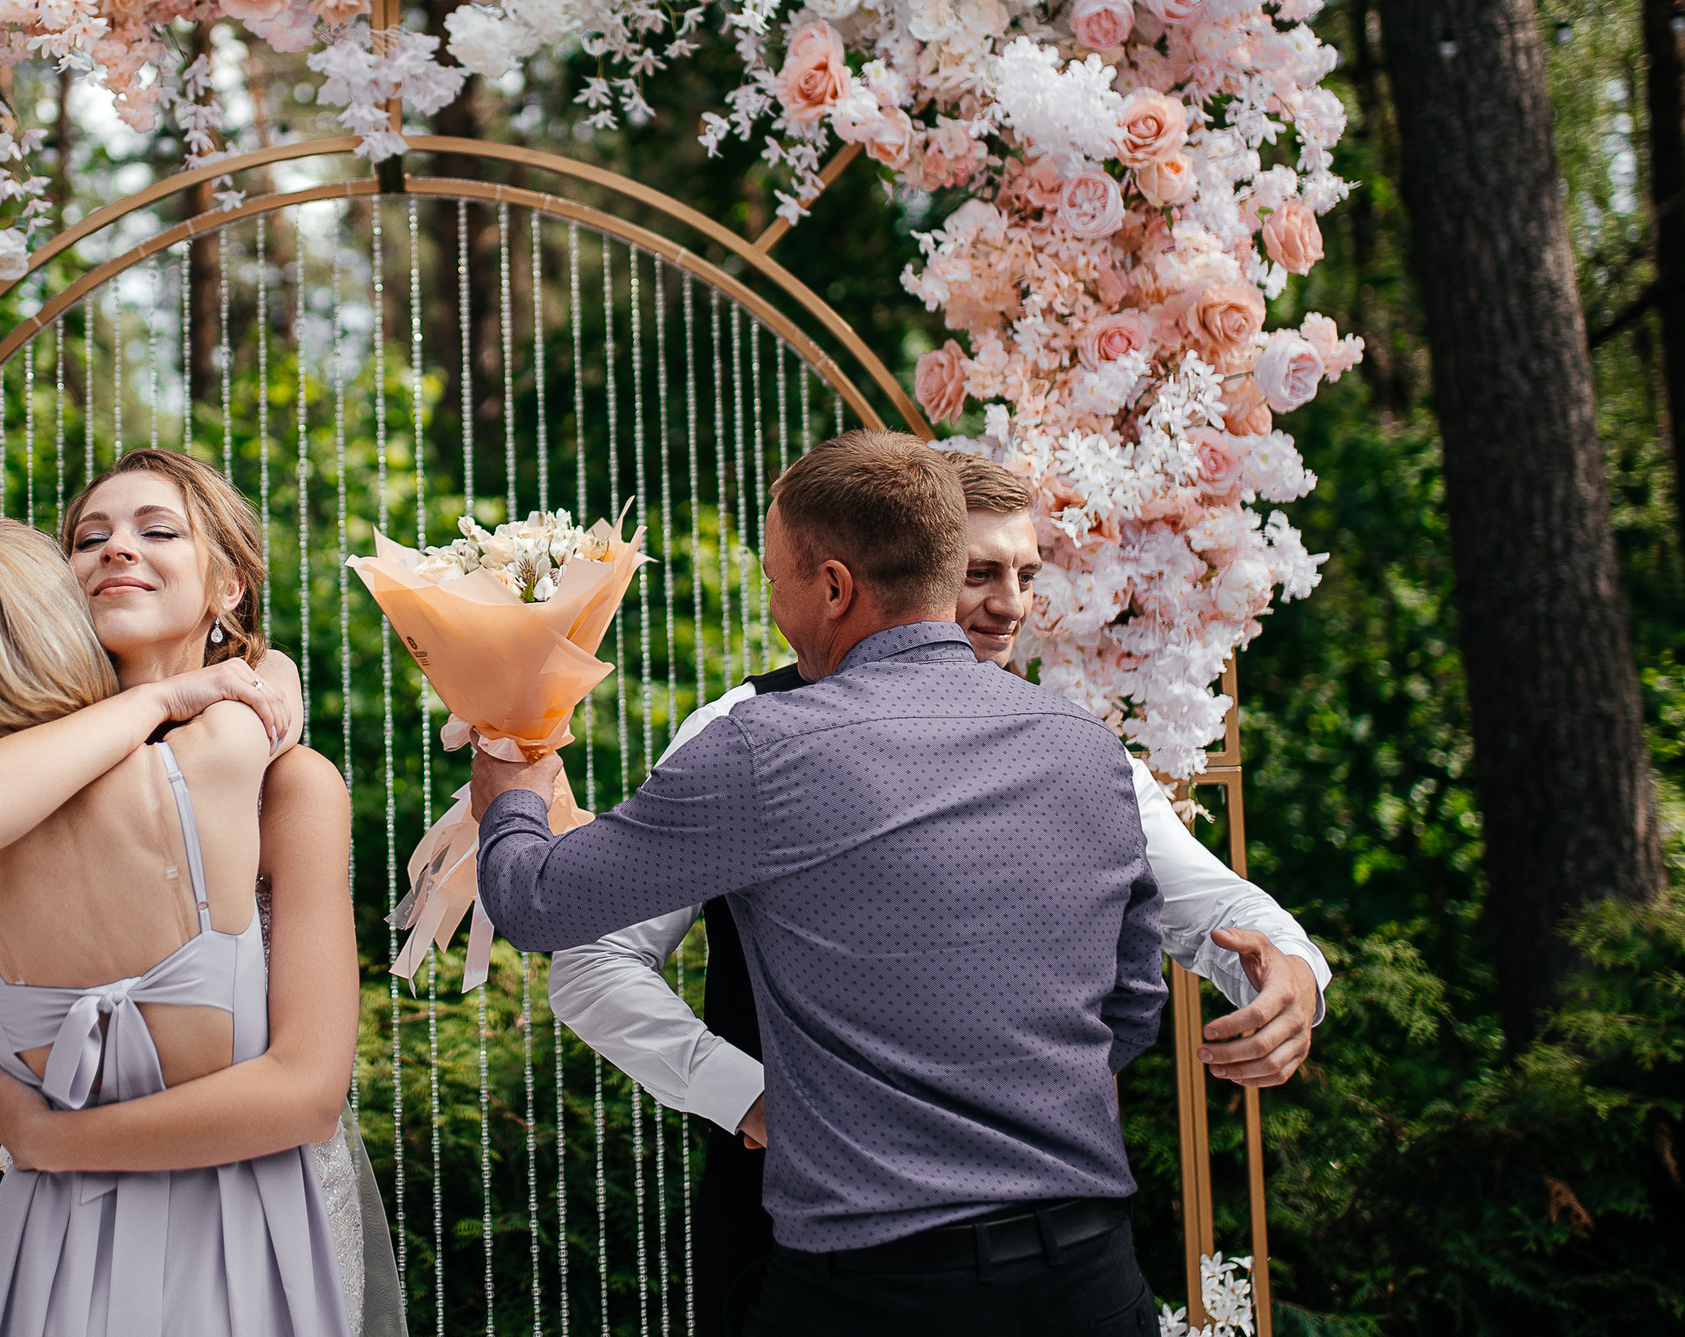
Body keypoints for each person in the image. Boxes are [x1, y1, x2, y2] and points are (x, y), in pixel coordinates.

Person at [548, 452, 1333, 1334]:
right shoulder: (738, 732)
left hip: (1052, 1256)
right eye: (978, 572)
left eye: (1026, 574)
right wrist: (750, 1095)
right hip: (795, 1235)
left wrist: (1293, 974)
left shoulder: (1069, 747)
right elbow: (593, 959)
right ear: (903, 565)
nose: (1011, 603)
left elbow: (1218, 909)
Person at [0, 449, 400, 1337]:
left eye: (157, 530)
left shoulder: (287, 781)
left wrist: (51, 1141)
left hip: (247, 1228)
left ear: (228, 587)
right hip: (62, 1247)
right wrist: (177, 692)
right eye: (89, 539)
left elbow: (309, 1089)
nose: (117, 548)